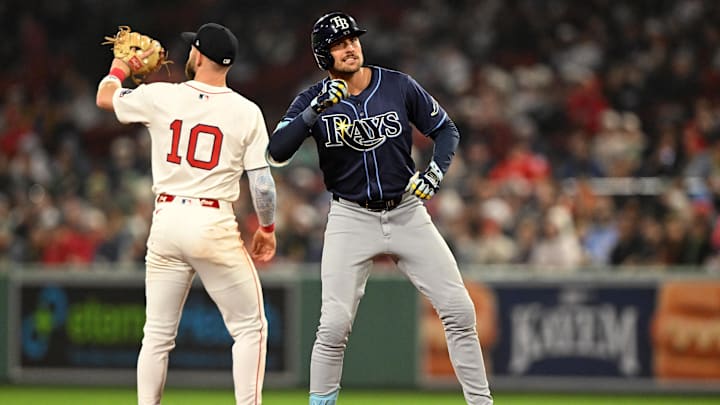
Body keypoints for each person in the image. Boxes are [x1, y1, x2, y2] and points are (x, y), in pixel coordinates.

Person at [267, 11, 493, 405]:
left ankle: (481, 403)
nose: (350, 46)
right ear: (324, 54)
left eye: (352, 39)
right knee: (334, 326)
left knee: (459, 311)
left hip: (406, 210)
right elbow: (276, 152)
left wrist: (435, 173)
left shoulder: (397, 84)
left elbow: (446, 130)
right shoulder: (313, 99)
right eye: (339, 43)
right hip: (350, 215)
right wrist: (313, 111)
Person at [96, 22, 277, 405]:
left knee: (157, 335)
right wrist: (267, 227)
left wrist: (119, 68)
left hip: (167, 220)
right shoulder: (247, 112)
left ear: (198, 56)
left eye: (192, 48)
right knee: (250, 328)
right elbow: (262, 184)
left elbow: (105, 98)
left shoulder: (161, 95)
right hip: (212, 221)